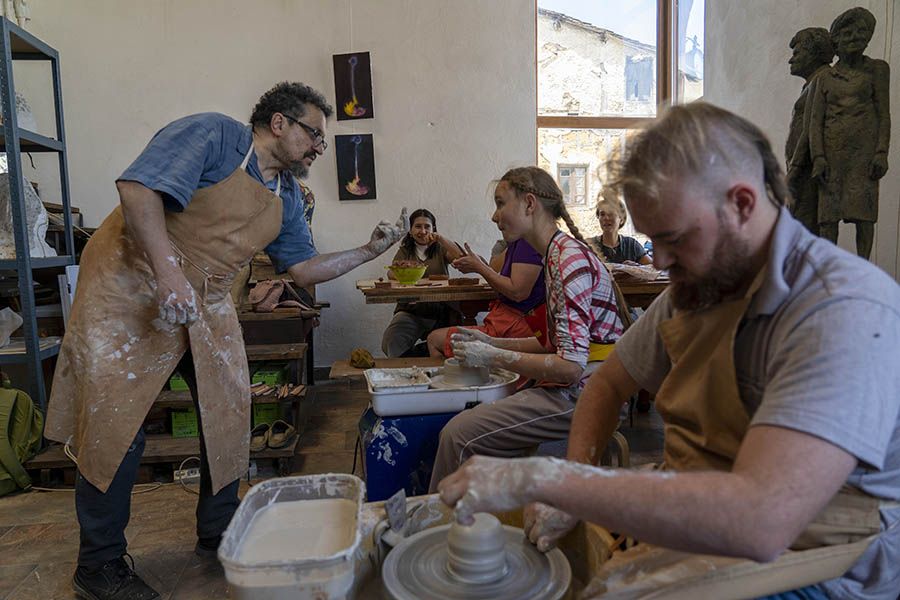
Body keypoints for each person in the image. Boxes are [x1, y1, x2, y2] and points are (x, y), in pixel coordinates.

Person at [437, 103, 900, 599]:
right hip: (710, 498)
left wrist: (550, 481)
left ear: (742, 204)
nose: (658, 260)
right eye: (651, 239)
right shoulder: (699, 284)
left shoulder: (843, 311)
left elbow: (762, 520)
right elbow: (608, 384)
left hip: (811, 559)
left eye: (672, 238)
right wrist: (575, 472)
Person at [44, 81, 409, 600]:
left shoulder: (286, 196)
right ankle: (98, 564)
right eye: (314, 135)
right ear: (278, 123)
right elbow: (138, 189)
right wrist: (168, 275)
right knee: (116, 425)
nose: (319, 148)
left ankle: (219, 531)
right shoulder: (215, 135)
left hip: (208, 298)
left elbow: (304, 269)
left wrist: (369, 251)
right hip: (130, 284)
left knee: (230, 410)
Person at [428, 166, 623, 492]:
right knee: (469, 412)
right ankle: (485, 510)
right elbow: (552, 346)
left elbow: (570, 368)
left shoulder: (568, 260)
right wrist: (490, 342)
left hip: (590, 393)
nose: (494, 216)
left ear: (530, 204)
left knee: (457, 434)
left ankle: (437, 520)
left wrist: (492, 356)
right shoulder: (555, 254)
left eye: (500, 203)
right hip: (581, 384)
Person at [809, 7, 890, 259]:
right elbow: (815, 121)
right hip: (832, 157)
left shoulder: (877, 69)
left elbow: (883, 114)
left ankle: (863, 268)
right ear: (836, 40)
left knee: (864, 216)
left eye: (861, 32)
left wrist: (881, 152)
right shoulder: (825, 78)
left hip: (863, 156)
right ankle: (829, 268)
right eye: (847, 33)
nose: (855, 37)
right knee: (828, 218)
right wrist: (818, 157)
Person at [425, 236, 546, 358]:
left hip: (515, 325)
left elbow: (517, 293)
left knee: (434, 339)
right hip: (508, 321)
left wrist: (480, 267)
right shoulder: (516, 244)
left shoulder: (527, 244)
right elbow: (502, 288)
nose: (497, 222)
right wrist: (479, 266)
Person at [381, 208, 465, 357]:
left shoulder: (440, 249)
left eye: (427, 226)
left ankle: (434, 363)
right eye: (418, 226)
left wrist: (441, 239)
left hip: (441, 311)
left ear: (433, 229)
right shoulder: (405, 251)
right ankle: (409, 368)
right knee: (391, 340)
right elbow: (391, 272)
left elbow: (461, 257)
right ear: (410, 230)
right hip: (411, 310)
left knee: (457, 342)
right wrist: (405, 274)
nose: (423, 231)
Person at [785, 27, 833, 235]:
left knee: (803, 228)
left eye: (797, 53)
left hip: (808, 169)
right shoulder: (812, 83)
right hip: (801, 169)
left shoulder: (823, 81)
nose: (791, 60)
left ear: (814, 53)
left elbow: (810, 130)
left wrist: (795, 169)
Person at [590, 191, 651, 265]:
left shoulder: (631, 245)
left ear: (621, 219)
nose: (606, 218)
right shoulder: (590, 245)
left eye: (611, 214)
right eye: (602, 214)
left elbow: (654, 268)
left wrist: (636, 267)